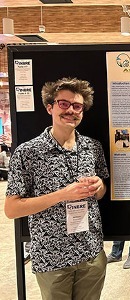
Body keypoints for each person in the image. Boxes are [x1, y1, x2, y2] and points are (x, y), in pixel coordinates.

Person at [4, 77, 109, 300]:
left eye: (77, 106)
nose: (71, 110)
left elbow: (101, 194)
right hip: (52, 257)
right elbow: (12, 209)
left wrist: (100, 186)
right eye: (64, 104)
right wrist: (63, 195)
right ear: (49, 107)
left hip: (91, 253)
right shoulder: (27, 153)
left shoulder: (93, 148)